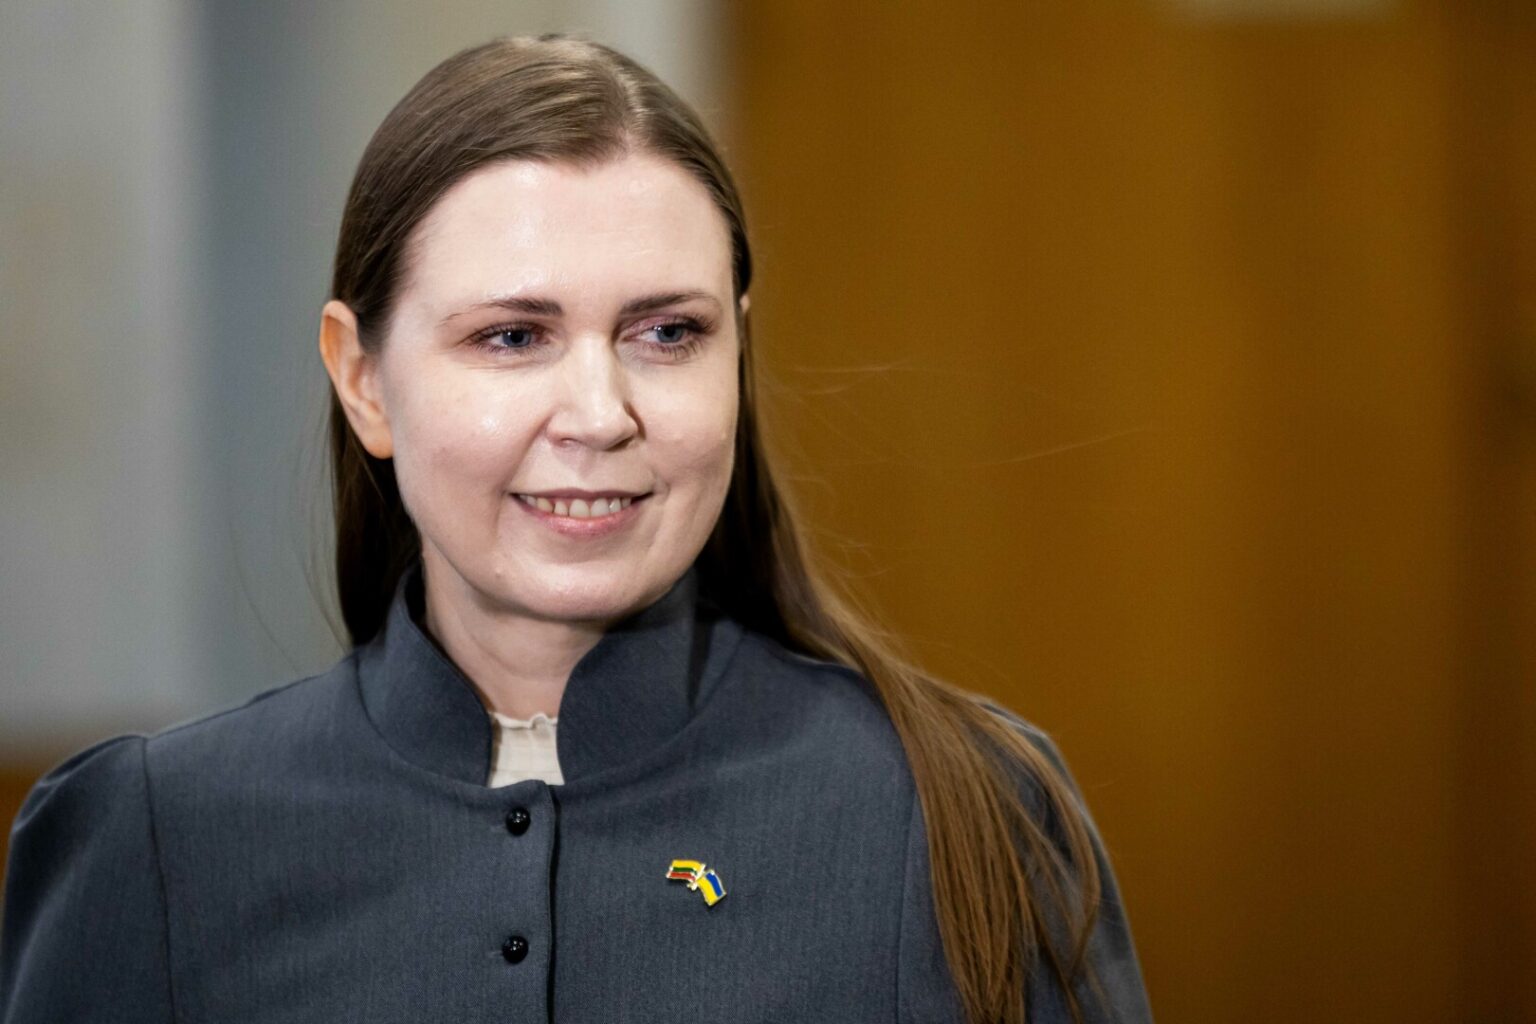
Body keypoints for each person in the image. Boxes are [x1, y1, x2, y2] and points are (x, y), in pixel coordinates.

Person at [0, 33, 1152, 1024]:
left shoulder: (969, 813)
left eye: (667, 333)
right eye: (512, 337)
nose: (601, 415)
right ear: (362, 379)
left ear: (738, 347)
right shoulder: (152, 842)